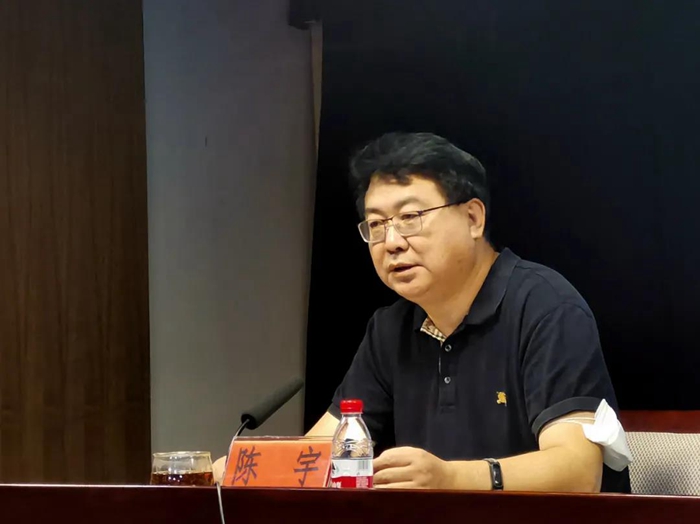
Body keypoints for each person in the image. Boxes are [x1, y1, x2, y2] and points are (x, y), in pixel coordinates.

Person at [305, 131, 631, 493]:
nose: (392, 242)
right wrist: (259, 467)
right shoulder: (390, 330)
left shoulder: (547, 307)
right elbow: (315, 457)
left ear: (473, 218)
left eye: (410, 217)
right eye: (378, 225)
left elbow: (578, 473)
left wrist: (452, 479)